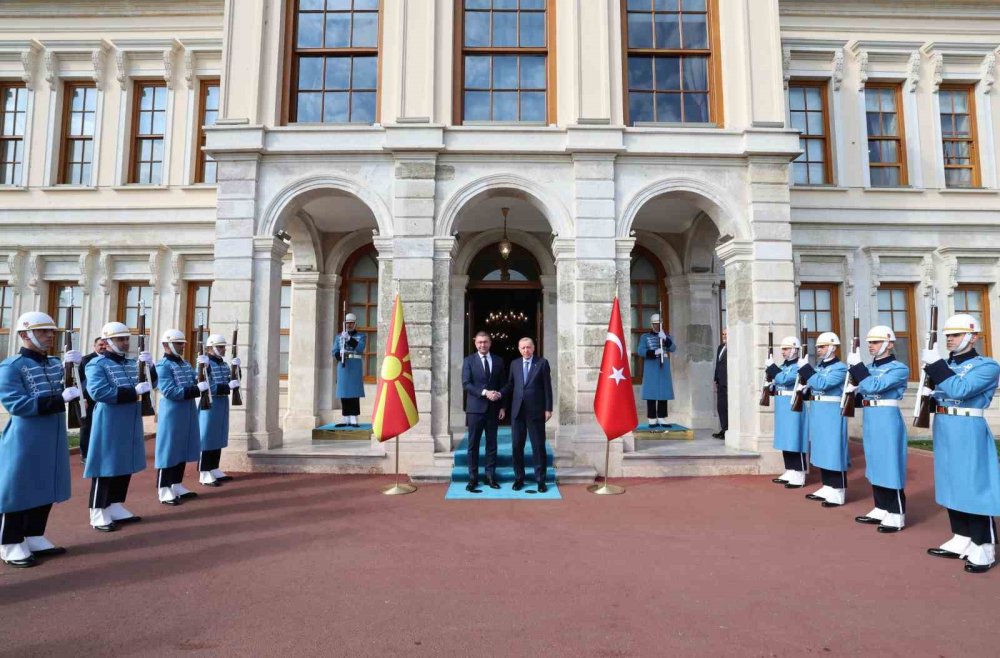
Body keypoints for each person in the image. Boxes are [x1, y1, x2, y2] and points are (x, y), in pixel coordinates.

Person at [922, 314, 1000, 574]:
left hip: (968, 426)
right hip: (944, 425)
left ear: (973, 337)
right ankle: (961, 536)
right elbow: (940, 395)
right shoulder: (943, 364)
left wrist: (935, 365)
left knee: (974, 485)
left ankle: (984, 546)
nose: (950, 339)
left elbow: (960, 390)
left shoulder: (987, 366)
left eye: (955, 335)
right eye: (948, 336)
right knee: (951, 482)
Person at [0, 312, 77, 568]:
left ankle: (33, 534)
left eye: (51, 331)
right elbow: (16, 404)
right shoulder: (11, 367)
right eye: (43, 331)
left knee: (45, 485)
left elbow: (76, 390)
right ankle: (9, 542)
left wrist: (78, 369)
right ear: (24, 334)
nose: (50, 335)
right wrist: (58, 400)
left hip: (52, 435)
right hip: (26, 436)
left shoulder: (55, 363)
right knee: (17, 489)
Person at [84, 322, 155, 531]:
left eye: (126, 339)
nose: (125, 343)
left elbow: (151, 384)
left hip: (129, 418)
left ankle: (115, 504)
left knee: (124, 462)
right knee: (105, 465)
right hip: (109, 419)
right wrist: (133, 392)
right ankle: (98, 511)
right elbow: (98, 392)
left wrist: (150, 368)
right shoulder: (96, 364)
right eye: (119, 339)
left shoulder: (132, 363)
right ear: (106, 342)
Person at [847, 326, 909, 533]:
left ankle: (896, 513)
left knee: (890, 463)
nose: (871, 346)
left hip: (886, 417)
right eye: (869, 343)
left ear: (889, 344)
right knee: (875, 462)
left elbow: (873, 386)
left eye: (875, 342)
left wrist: (858, 369)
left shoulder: (898, 368)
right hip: (871, 416)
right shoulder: (868, 368)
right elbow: (862, 393)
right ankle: (881, 507)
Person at [154, 329, 206, 505]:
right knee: (169, 449)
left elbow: (195, 380)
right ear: (166, 345)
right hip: (172, 411)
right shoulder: (163, 366)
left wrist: (204, 369)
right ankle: (163, 488)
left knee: (181, 447)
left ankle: (176, 484)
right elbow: (170, 391)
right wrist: (196, 389)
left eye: (182, 343)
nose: (182, 346)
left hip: (187, 409)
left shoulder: (185, 364)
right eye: (178, 343)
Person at [797, 332, 849, 507]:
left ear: (833, 347)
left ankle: (838, 490)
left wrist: (806, 369)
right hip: (818, 410)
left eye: (822, 346)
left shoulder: (840, 368)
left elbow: (822, 384)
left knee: (833, 450)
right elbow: (815, 386)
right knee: (821, 449)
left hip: (831, 412)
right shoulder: (819, 367)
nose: (818, 349)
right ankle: (828, 486)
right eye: (818, 346)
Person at [500, 337, 553, 492]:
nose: (526, 350)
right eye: (523, 348)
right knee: (517, 446)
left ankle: (540, 480)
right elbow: (510, 385)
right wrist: (500, 395)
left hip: (536, 412)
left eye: (528, 347)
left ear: (533, 348)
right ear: (519, 349)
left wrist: (548, 408)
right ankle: (519, 478)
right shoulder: (514, 364)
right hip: (517, 412)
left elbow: (547, 387)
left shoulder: (542, 363)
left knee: (538, 446)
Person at [461, 331, 506, 492]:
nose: (482, 345)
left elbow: (503, 384)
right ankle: (473, 478)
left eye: (485, 342)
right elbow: (466, 384)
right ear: (475, 343)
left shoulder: (499, 360)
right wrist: (485, 392)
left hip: (493, 409)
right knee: (473, 444)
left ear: (490, 343)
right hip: (475, 409)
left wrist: (502, 405)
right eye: (480, 342)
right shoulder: (469, 361)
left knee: (492, 444)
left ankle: (490, 476)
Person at [198, 334, 240, 487]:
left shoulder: (223, 364)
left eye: (224, 347)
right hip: (210, 401)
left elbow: (232, 380)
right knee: (207, 436)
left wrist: (237, 370)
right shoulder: (206, 363)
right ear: (212, 347)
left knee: (218, 435)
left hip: (222, 402)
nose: (224, 350)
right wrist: (227, 387)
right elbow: (206, 385)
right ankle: (204, 472)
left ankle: (214, 468)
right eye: (221, 347)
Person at [766, 336, 809, 488]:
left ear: (795, 350)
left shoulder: (799, 366)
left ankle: (799, 473)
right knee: (785, 438)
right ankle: (790, 469)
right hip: (782, 405)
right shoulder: (783, 366)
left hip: (793, 405)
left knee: (795, 439)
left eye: (786, 349)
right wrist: (770, 385)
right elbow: (778, 382)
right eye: (782, 349)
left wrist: (772, 368)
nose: (783, 352)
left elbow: (784, 379)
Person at [638, 313, 676, 428]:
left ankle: (662, 417)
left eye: (658, 323)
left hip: (663, 368)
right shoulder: (645, 337)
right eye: (654, 324)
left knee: (663, 392)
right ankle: (652, 418)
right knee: (651, 393)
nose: (656, 326)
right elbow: (640, 351)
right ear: (651, 324)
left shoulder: (666, 336)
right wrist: (653, 352)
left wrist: (665, 339)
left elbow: (673, 348)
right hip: (651, 368)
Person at [332, 312, 366, 428]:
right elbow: (334, 351)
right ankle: (346, 417)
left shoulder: (361, 336)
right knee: (344, 392)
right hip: (343, 366)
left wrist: (350, 339)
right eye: (347, 323)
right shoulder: (339, 337)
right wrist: (339, 354)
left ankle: (354, 418)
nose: (349, 325)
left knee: (354, 392)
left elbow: (360, 348)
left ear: (355, 324)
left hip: (354, 366)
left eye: (351, 323)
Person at [79, 336, 109, 462]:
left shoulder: (109, 359)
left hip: (105, 398)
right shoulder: (85, 360)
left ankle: (100, 452)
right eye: (100, 344)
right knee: (87, 426)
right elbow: (79, 380)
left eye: (105, 344)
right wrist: (81, 398)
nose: (103, 347)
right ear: (94, 346)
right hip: (88, 399)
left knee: (103, 426)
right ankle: (85, 454)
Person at [713, 329, 728, 439]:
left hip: (728, 382)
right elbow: (717, 364)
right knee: (720, 407)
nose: (724, 336)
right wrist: (715, 379)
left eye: (726, 334)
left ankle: (728, 430)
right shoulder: (720, 347)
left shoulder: (733, 348)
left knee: (728, 407)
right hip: (720, 382)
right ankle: (724, 429)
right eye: (723, 334)